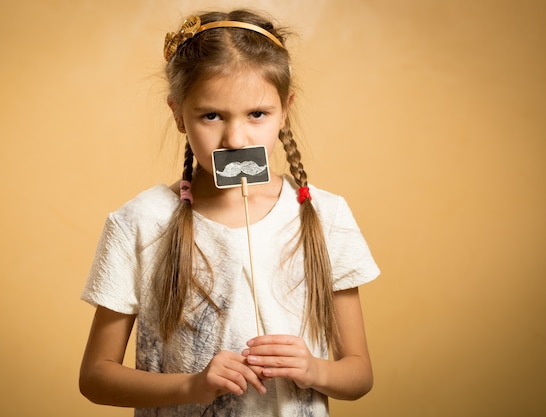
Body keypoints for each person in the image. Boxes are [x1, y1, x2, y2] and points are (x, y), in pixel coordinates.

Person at [79, 9, 380, 416]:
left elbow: (359, 375)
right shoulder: (140, 222)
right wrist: (192, 384)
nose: (236, 139)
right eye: (211, 115)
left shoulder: (326, 215)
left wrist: (313, 369)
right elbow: (96, 377)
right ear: (177, 113)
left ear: (285, 109)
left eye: (257, 114)